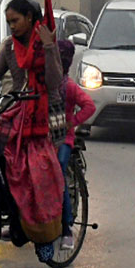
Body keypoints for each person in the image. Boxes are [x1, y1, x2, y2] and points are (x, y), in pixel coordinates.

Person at [0, 0, 66, 260]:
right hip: (16, 108)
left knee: (35, 171)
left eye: (15, 21)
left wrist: (51, 47)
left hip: (44, 114)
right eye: (8, 22)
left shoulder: (45, 45)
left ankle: (45, 234)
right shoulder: (8, 47)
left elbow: (54, 82)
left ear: (30, 18)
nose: (11, 27)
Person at [55, 40, 95, 254]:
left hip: (64, 139)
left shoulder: (68, 87)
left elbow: (89, 105)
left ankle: (67, 228)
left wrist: (73, 121)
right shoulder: (43, 84)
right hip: (43, 137)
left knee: (58, 171)